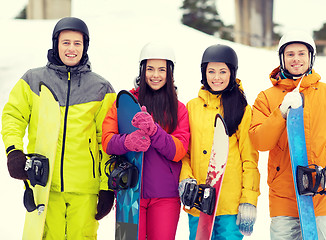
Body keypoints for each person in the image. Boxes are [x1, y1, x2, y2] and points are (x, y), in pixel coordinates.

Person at [1, 17, 117, 239]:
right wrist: (14, 151)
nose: (71, 48)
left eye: (77, 43)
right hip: (44, 184)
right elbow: (13, 116)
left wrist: (106, 186)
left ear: (85, 47)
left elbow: (107, 141)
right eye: (66, 42)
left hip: (85, 188)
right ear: (56, 44)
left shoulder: (101, 88)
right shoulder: (33, 80)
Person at [249, 30, 326, 240]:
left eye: (302, 53)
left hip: (323, 192)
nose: (296, 59)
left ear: (311, 57)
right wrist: (280, 112)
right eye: (290, 54)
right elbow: (259, 141)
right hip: (284, 196)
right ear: (282, 58)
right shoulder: (266, 98)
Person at [102, 42, 190, 240]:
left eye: (161, 69)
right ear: (142, 70)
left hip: (165, 195)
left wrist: (155, 132)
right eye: (150, 69)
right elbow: (107, 142)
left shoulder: (179, 109)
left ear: (170, 73)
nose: (155, 75)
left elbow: (179, 151)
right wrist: (127, 142)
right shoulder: (124, 103)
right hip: (129, 192)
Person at [179, 44, 260, 239]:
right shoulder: (191, 107)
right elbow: (185, 152)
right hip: (199, 201)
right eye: (211, 71)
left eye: (223, 71)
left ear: (232, 73)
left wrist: (248, 200)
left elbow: (250, 159)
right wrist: (185, 179)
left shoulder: (242, 109)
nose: (217, 77)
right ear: (203, 73)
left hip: (230, 205)